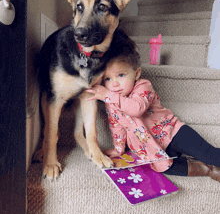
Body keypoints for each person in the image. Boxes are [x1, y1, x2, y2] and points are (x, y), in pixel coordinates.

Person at [86, 47, 220, 182]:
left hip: (174, 133)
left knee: (209, 154)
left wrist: (108, 95)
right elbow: (117, 126)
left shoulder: (143, 86)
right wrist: (119, 148)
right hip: (151, 147)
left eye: (121, 75)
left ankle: (209, 161)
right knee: (165, 168)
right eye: (107, 79)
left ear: (136, 73)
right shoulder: (111, 101)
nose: (114, 84)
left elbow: (136, 108)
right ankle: (207, 169)